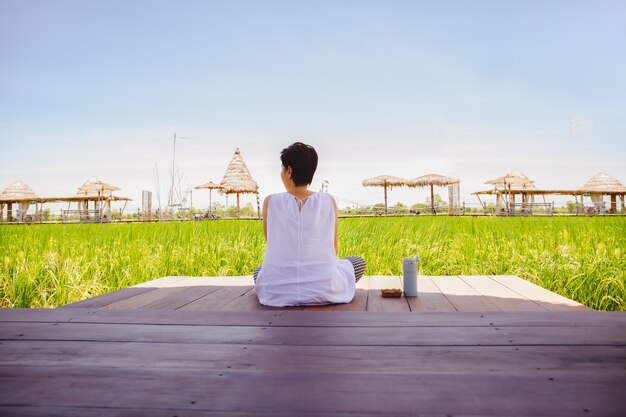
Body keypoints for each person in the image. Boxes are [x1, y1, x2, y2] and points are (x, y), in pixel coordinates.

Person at [254, 142, 366, 307]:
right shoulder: (328, 201)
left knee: (259, 271)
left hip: (277, 291)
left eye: (282, 168)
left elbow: (272, 245)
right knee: (358, 262)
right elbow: (333, 249)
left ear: (289, 171)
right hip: (324, 288)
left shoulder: (270, 202)